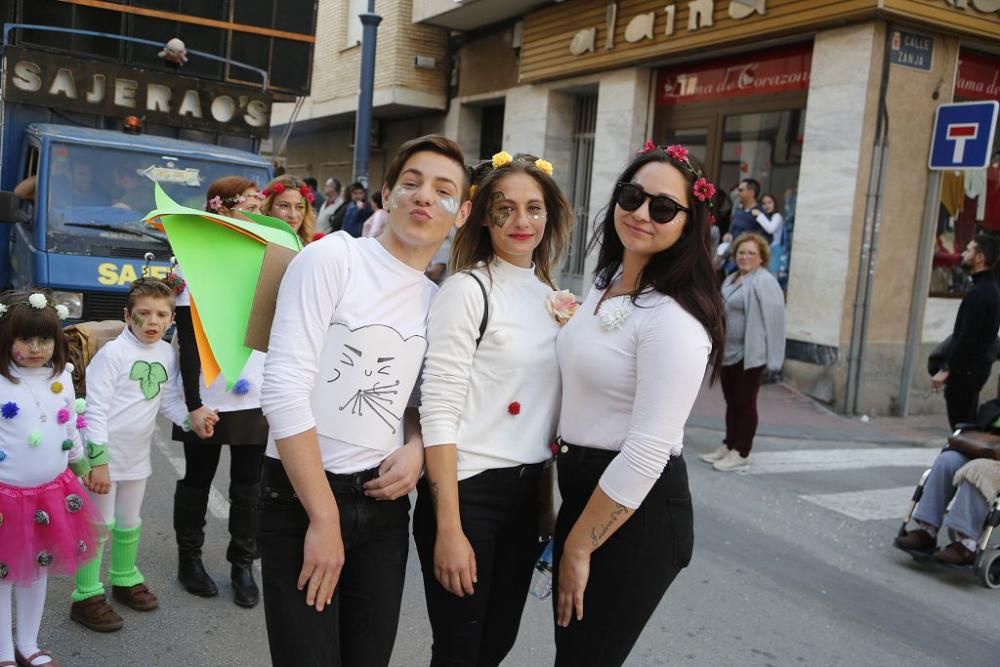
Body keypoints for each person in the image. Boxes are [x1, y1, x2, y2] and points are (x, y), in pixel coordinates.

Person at [258, 135, 471, 665]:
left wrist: (418, 447)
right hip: (301, 498)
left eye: (443, 191)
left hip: (382, 510)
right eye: (412, 183)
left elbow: (426, 402)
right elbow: (283, 387)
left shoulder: (439, 300)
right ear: (387, 194)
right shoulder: (335, 257)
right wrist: (323, 518)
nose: (425, 197)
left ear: (461, 213)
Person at [552, 143, 725, 666]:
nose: (642, 214)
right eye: (632, 196)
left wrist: (580, 545)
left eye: (664, 208)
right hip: (586, 493)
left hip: (637, 512)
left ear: (688, 224)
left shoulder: (674, 319)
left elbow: (648, 451)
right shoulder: (606, 287)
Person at [415, 151, 572, 666]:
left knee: (496, 646)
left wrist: (545, 505)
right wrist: (449, 526)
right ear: (484, 215)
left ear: (549, 214)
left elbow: (544, 418)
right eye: (505, 208)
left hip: (527, 497)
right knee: (460, 650)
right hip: (467, 492)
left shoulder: (550, 295)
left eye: (533, 208)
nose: (521, 221)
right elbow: (437, 410)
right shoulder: (466, 289)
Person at [69, 279, 207, 633]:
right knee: (98, 526)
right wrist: (97, 462)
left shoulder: (165, 353)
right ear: (127, 316)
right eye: (144, 314)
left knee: (129, 521)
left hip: (136, 458)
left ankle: (124, 576)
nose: (153, 321)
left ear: (171, 318)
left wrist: (193, 420)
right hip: (106, 458)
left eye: (162, 315)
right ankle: (86, 594)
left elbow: (167, 401)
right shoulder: (113, 354)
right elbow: (95, 410)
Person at [167, 180, 271, 610]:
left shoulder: (268, 255)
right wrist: (192, 403)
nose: (255, 208)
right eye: (247, 202)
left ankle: (242, 566)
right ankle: (188, 561)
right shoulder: (196, 260)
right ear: (222, 209)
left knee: (249, 486)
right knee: (197, 479)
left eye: (257, 202)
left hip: (255, 391)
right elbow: (189, 339)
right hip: (208, 391)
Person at [0, 289, 105, 667]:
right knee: (4, 576)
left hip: (50, 495)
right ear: (7, 340)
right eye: (24, 339)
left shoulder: (60, 379)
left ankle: (28, 644)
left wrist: (83, 467)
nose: (35, 347)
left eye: (44, 339)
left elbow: (70, 431)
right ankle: (1, 651)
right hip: (4, 499)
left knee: (38, 571)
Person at [702, 233, 785, 473]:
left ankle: (742, 451)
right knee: (731, 402)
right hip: (728, 352)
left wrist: (774, 358)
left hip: (750, 354)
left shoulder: (764, 281)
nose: (744, 257)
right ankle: (728, 445)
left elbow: (775, 321)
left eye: (750, 253)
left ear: (761, 258)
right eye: (741, 252)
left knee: (745, 403)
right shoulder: (732, 279)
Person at [931, 234, 1000, 428]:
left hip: (967, 370)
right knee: (965, 423)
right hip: (974, 368)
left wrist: (946, 369)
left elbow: (967, 337)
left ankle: (960, 456)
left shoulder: (980, 293)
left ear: (980, 258)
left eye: (968, 250)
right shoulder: (988, 288)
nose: (963, 254)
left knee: (962, 427)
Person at [895, 443, 997, 566]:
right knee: (947, 461)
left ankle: (967, 545)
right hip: (983, 448)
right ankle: (927, 530)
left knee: (978, 472)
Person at [260, 175, 316, 246]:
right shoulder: (255, 244)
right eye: (284, 206)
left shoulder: (313, 247)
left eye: (299, 207)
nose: (293, 215)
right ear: (269, 209)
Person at [757, 194, 785, 274]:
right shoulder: (764, 217)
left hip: (774, 250)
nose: (766, 205)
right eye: (764, 203)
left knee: (772, 276)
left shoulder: (777, 216)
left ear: (774, 204)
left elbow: (770, 229)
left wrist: (759, 215)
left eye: (769, 202)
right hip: (764, 250)